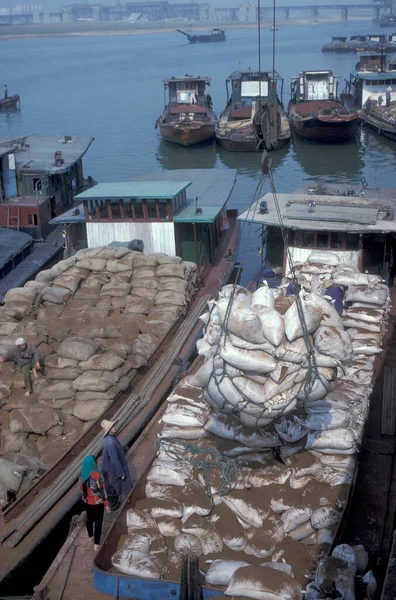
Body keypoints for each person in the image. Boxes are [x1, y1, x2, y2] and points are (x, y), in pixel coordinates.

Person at [79, 455, 110, 552]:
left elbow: (81, 489)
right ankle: (96, 544)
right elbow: (102, 491)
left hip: (87, 502)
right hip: (97, 502)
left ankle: (90, 536)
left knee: (89, 519)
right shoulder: (97, 475)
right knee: (98, 521)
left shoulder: (82, 474)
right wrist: (107, 504)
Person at [101, 419, 132, 511]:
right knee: (113, 488)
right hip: (111, 470)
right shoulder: (110, 442)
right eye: (112, 427)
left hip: (110, 469)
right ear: (109, 430)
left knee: (113, 487)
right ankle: (114, 507)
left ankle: (114, 504)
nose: (115, 427)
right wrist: (120, 472)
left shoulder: (111, 439)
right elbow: (114, 459)